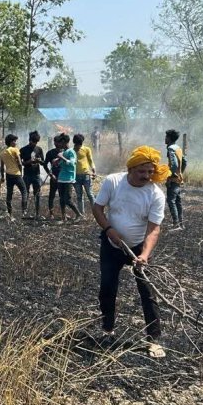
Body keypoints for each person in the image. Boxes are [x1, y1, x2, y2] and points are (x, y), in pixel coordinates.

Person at [92, 145, 170, 358]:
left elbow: (154, 229)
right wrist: (108, 230)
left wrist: (144, 255)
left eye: (150, 172)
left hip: (138, 248)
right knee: (107, 288)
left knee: (147, 292)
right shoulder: (113, 182)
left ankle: (154, 340)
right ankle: (108, 329)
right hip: (112, 244)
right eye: (141, 171)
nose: (146, 176)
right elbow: (97, 208)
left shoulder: (155, 194)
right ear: (131, 169)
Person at [54, 133, 82, 223]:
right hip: (61, 177)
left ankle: (79, 214)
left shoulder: (71, 152)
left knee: (68, 199)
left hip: (68, 178)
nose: (59, 145)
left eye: (61, 143)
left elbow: (72, 163)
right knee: (61, 199)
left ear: (65, 142)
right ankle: (63, 217)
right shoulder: (64, 152)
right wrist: (57, 161)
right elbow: (61, 164)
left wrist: (62, 157)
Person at [0, 133, 26, 221]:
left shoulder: (2, 153)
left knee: (9, 194)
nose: (16, 143)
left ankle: (10, 215)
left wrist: (2, 177)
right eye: (14, 141)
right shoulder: (15, 150)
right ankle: (24, 211)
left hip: (8, 175)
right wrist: (21, 173)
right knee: (24, 191)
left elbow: (2, 167)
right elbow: (20, 163)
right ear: (11, 142)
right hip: (17, 174)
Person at [20, 131, 45, 219]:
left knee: (37, 194)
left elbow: (43, 162)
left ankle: (37, 213)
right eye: (32, 141)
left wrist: (39, 161)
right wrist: (29, 162)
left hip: (36, 175)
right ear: (29, 140)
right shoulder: (23, 149)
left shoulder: (39, 149)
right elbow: (21, 163)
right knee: (25, 193)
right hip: (27, 175)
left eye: (36, 142)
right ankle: (24, 212)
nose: (34, 143)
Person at [165, 129, 185, 231]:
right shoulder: (178, 148)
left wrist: (170, 175)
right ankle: (181, 223)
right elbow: (185, 161)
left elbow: (174, 165)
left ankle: (176, 224)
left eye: (166, 137)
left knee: (171, 200)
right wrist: (180, 173)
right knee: (178, 201)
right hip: (178, 178)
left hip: (173, 179)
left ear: (169, 138)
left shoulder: (170, 149)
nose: (165, 139)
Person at [73, 133, 97, 215]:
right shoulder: (71, 151)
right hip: (75, 176)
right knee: (79, 196)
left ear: (82, 143)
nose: (78, 146)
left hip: (86, 175)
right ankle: (81, 214)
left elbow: (91, 161)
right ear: (74, 143)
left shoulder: (87, 149)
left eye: (79, 144)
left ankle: (96, 212)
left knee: (90, 194)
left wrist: (94, 170)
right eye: (76, 144)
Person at [42, 134, 62, 219]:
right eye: (56, 142)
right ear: (54, 142)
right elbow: (45, 165)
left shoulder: (66, 152)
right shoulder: (50, 153)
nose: (57, 143)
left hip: (64, 177)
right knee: (52, 195)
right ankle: (51, 213)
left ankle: (63, 213)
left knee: (63, 196)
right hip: (54, 177)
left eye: (59, 142)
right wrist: (50, 175)